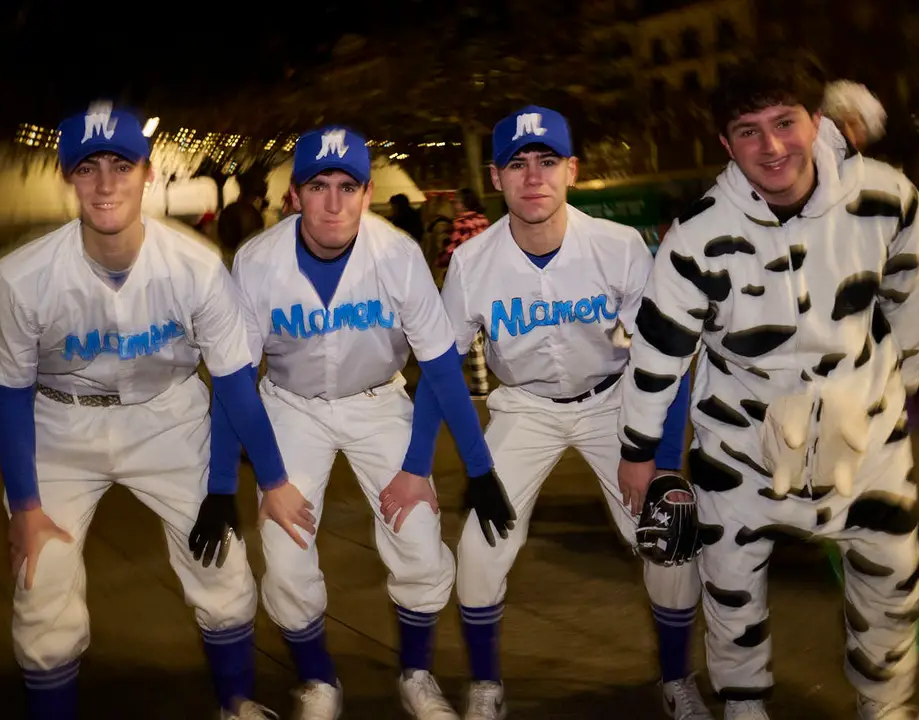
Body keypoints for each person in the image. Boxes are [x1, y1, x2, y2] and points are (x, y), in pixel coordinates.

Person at [618, 56, 919, 719]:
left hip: (864, 428)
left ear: (814, 120)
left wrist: (906, 380)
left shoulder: (888, 198)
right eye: (748, 131)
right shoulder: (697, 237)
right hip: (740, 445)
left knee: (891, 579)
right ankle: (742, 705)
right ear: (725, 144)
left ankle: (885, 703)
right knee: (730, 591)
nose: (771, 147)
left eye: (784, 122)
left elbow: (913, 298)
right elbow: (659, 347)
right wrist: (638, 450)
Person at [0, 102, 286, 720]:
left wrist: (271, 480)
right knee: (41, 580)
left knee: (220, 563)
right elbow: (10, 395)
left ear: (148, 172)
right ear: (67, 177)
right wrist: (25, 506)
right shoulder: (22, 276)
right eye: (88, 167)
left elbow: (236, 382)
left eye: (120, 165)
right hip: (60, 425)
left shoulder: (194, 265)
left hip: (166, 416)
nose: (106, 183)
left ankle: (236, 702)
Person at [412, 106, 704, 719]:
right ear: (496, 178)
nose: (533, 176)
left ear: (572, 170)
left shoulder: (618, 247)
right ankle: (486, 685)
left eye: (547, 161)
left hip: (613, 402)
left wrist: (661, 462)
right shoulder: (472, 263)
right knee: (479, 546)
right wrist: (432, 466)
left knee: (667, 539)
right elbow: (440, 372)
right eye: (517, 164)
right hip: (524, 408)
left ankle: (678, 680)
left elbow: (665, 356)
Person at [226, 125, 513, 720]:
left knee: (419, 538)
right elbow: (233, 382)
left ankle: (417, 674)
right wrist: (262, 481)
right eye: (318, 185)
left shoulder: (398, 254)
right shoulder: (256, 261)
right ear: (294, 195)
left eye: (347, 186)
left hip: (378, 401)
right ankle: (317, 681)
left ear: (367, 190)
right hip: (291, 404)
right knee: (284, 545)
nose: (333, 202)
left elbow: (440, 368)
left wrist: (460, 467)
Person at [437, 188, 492, 398]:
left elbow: (453, 251)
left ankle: (479, 384)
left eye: (456, 201)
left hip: (466, 282)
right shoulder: (483, 220)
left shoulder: (461, 223)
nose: (454, 205)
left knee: (470, 335)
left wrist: (439, 259)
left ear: (463, 203)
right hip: (484, 279)